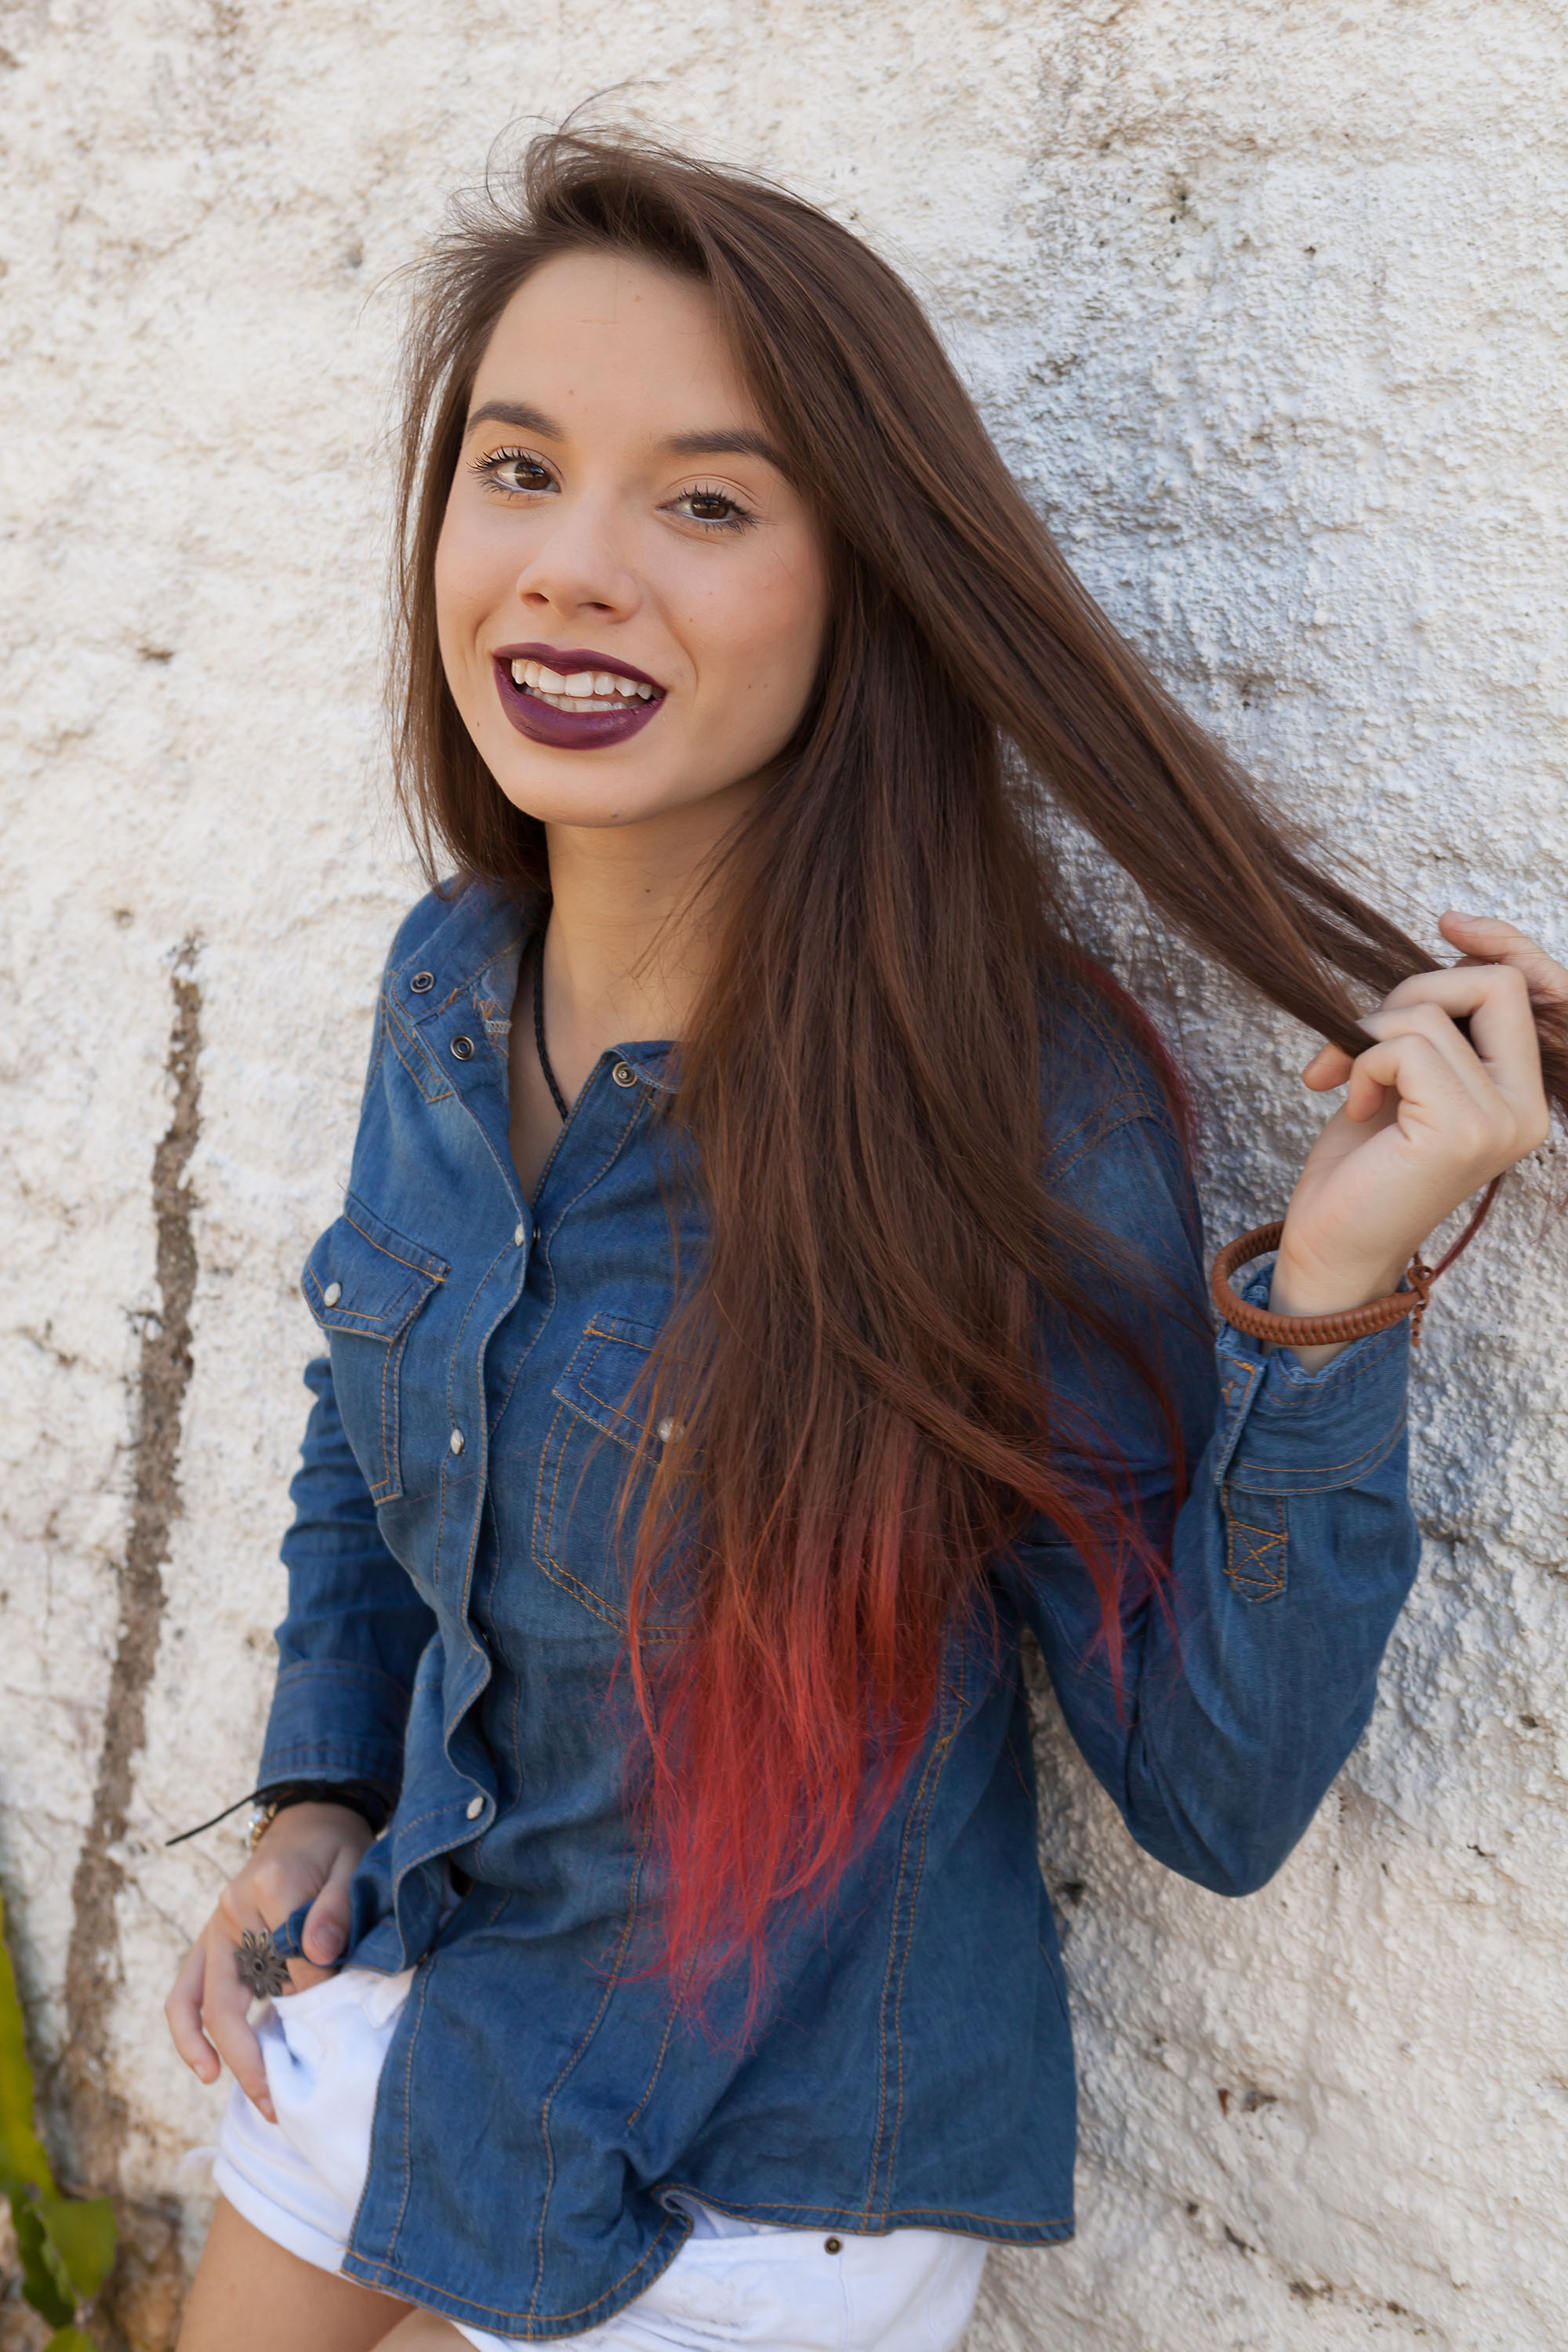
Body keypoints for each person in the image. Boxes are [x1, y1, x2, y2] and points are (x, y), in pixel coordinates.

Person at [163, 131, 1566, 2351]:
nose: (571, 568)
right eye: (520, 471)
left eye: (706, 504)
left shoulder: (1003, 1102)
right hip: (424, 2000)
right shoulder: (447, 984)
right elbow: (369, 1433)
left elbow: (1212, 1791)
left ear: (865, 584)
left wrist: (1335, 1289)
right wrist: (322, 1791)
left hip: (768, 2169)